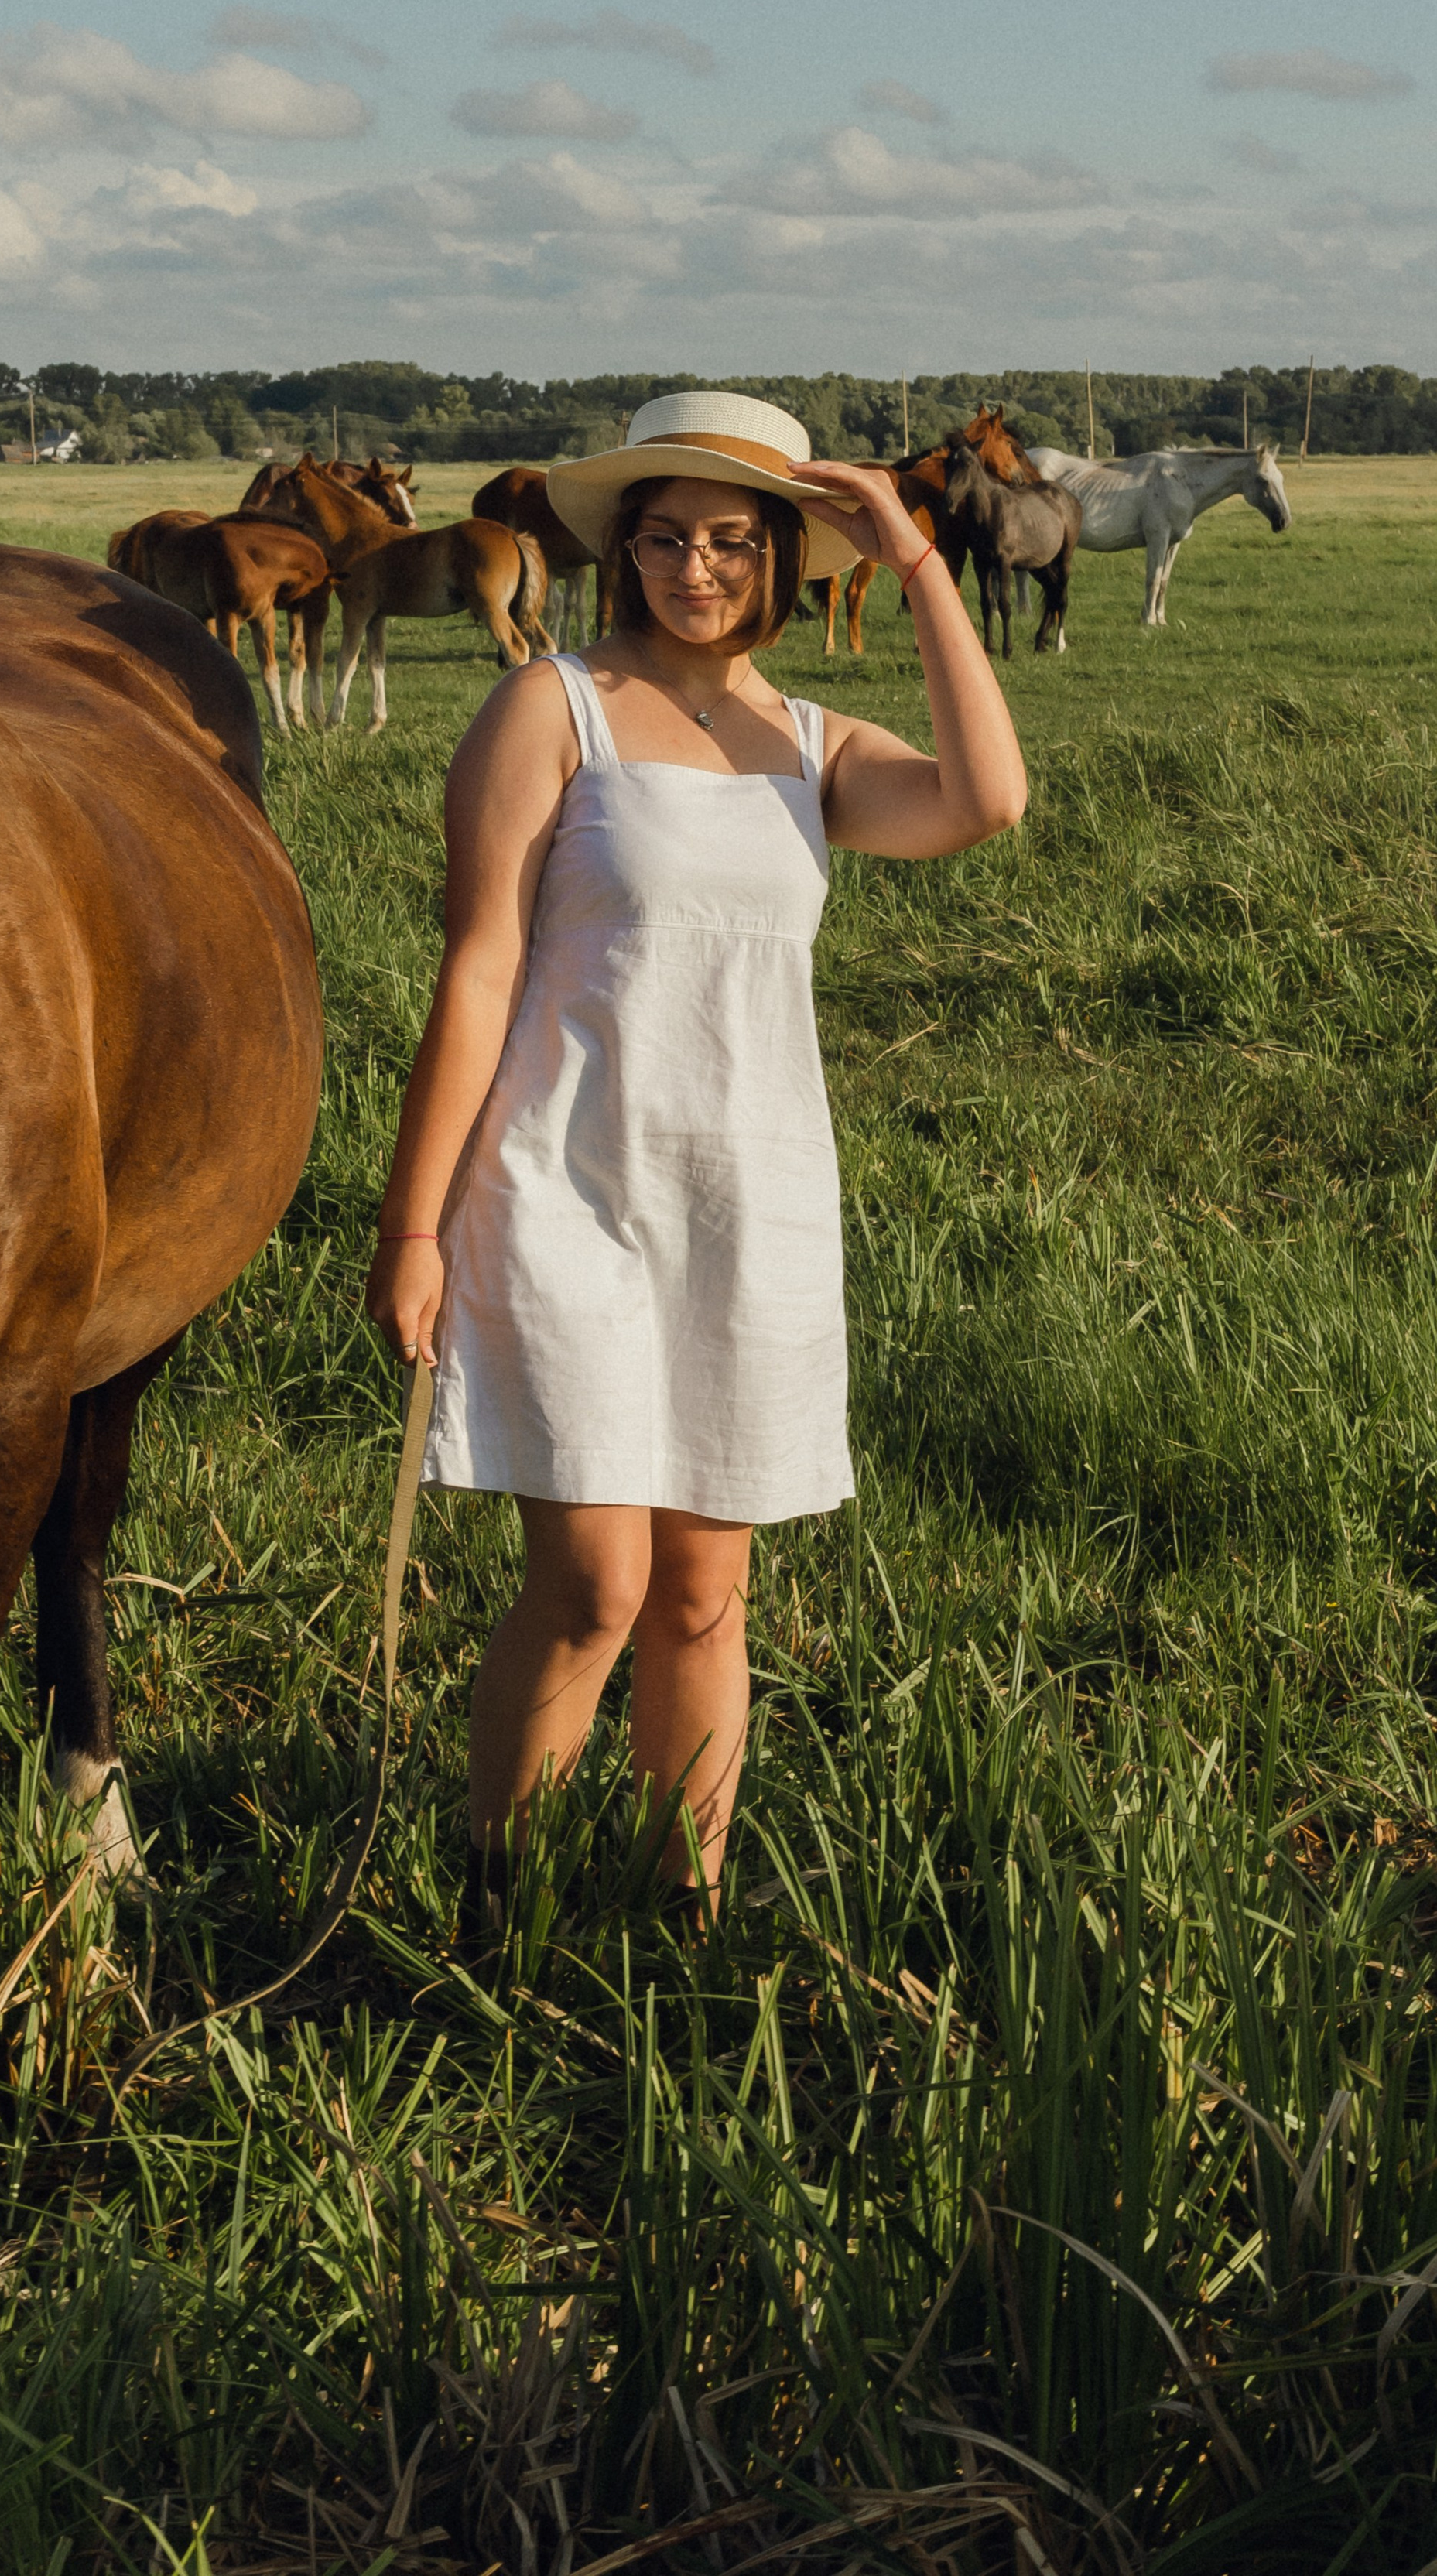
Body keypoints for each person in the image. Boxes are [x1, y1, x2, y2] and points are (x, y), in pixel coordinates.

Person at [365, 390, 1026, 1935]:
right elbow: (476, 970)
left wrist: (917, 560)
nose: (695, 568)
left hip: (749, 1209)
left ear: (784, 560)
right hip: (561, 1192)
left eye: (732, 541)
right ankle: (499, 1894)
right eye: (663, 537)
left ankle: (683, 1909)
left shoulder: (811, 745)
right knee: (592, 1588)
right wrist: (411, 1225)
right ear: (620, 550)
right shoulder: (553, 708)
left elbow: (985, 800)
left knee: (701, 1595)